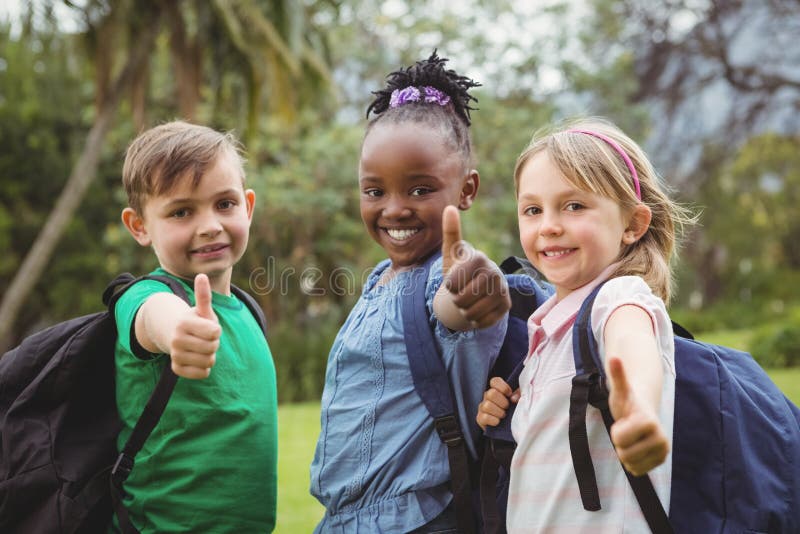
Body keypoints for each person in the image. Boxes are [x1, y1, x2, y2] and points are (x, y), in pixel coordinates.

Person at [310, 51, 511, 533]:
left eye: (420, 190)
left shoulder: (446, 275)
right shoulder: (380, 277)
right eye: (374, 191)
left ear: (467, 190)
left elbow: (453, 308)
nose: (394, 209)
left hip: (411, 520)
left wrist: (475, 290)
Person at [476, 118, 693, 531]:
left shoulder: (620, 297)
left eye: (574, 206)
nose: (549, 225)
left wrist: (638, 409)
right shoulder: (548, 329)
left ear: (633, 224)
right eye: (533, 210)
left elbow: (631, 345)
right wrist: (510, 412)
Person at [116, 121, 277, 532]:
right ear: (139, 226)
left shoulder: (248, 310)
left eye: (225, 204)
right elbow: (156, 317)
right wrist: (178, 330)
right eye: (181, 211)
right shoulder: (144, 296)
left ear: (248, 207)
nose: (209, 225)